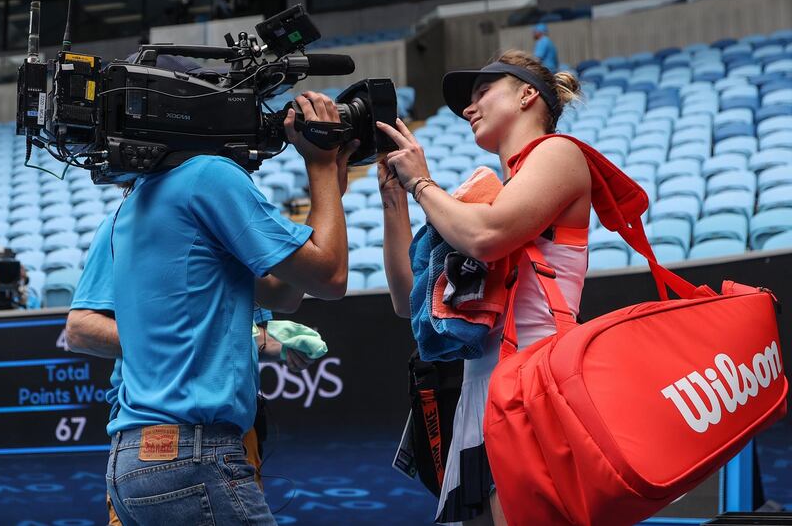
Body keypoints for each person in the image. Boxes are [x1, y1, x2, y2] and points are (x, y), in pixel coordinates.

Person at [66, 87, 354, 525]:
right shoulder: (208, 176)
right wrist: (318, 164)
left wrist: (330, 187)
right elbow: (329, 278)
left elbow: (287, 291)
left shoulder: (138, 199)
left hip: (134, 458)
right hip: (193, 453)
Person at [375, 50, 587, 525]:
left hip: (534, 386)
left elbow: (487, 239)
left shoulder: (558, 153)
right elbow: (407, 299)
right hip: (486, 393)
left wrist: (423, 184)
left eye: (482, 93)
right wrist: (396, 197)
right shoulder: (495, 196)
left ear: (527, 94)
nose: (468, 108)